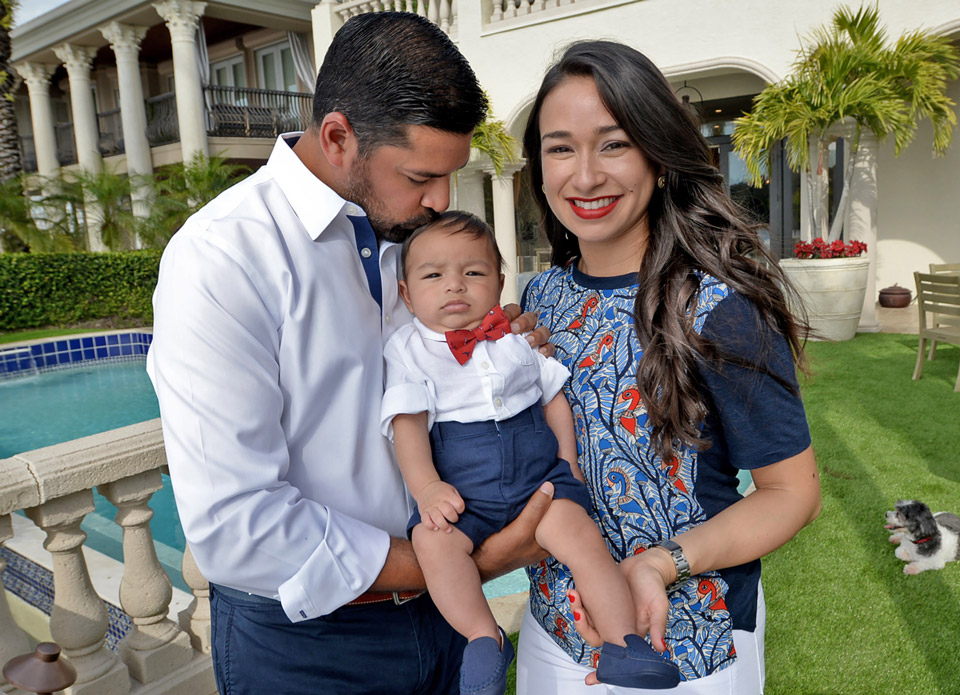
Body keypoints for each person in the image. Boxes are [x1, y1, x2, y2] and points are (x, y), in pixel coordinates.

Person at [146, 13, 555, 695]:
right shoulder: (221, 258)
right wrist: (466, 563)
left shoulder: (416, 239)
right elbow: (236, 526)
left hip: (447, 623)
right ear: (338, 137)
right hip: (307, 649)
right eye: (421, 175)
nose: (441, 200)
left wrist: (501, 356)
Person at [515, 41, 823, 694]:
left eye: (614, 144)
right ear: (537, 166)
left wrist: (664, 562)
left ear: (658, 155)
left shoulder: (719, 309)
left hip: (689, 642)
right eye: (560, 147)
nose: (586, 175)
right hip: (559, 629)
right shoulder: (538, 300)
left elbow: (791, 493)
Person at [381, 211, 681, 694]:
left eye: (472, 273)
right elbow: (408, 426)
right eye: (433, 275)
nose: (454, 286)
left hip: (538, 477)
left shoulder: (517, 338)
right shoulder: (408, 350)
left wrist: (568, 465)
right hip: (463, 494)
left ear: (500, 282)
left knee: (586, 544)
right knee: (436, 545)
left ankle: (623, 645)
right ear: (406, 293)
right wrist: (427, 488)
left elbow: (554, 398)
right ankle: (484, 639)